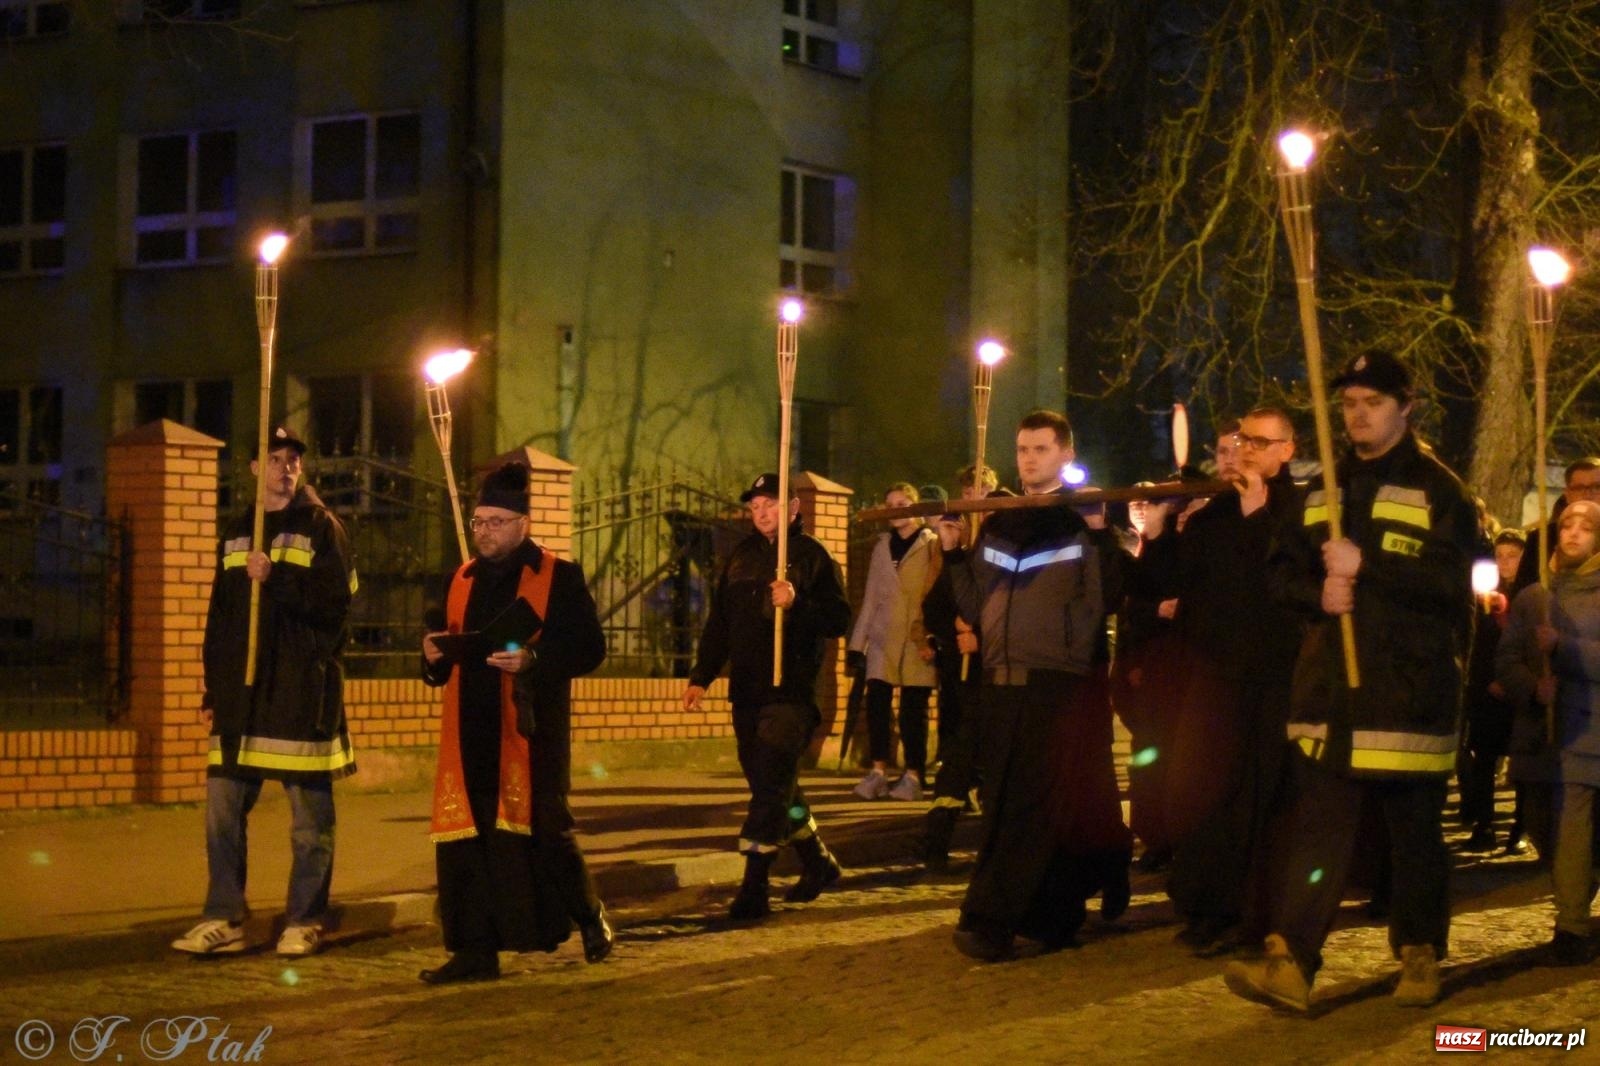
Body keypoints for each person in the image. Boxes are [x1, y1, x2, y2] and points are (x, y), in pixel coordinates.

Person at [1224, 351, 1477, 1011]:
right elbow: (1281, 574)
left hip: (1407, 691)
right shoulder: (1320, 486)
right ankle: (1293, 960)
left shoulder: (1439, 490)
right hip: (1331, 690)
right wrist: (1320, 595)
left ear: (1406, 406)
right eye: (1349, 404)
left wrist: (1369, 568)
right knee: (1318, 831)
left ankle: (1420, 952)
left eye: (1372, 402)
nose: (1358, 414)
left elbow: (1455, 588)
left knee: (1414, 833)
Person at [942, 410, 1133, 961]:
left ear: (1065, 456)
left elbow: (1108, 598)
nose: (1028, 458)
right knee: (1004, 802)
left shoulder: (1080, 522)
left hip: (1056, 682)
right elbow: (975, 607)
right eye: (1023, 448)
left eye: (1041, 449)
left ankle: (990, 918)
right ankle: (1052, 915)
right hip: (1000, 681)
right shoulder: (1000, 523)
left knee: (1034, 803)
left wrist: (1099, 536)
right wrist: (956, 552)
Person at [416, 462, 611, 983]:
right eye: (479, 522)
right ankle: (474, 950)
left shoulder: (558, 576)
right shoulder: (460, 578)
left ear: (523, 522)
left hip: (531, 729)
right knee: (468, 843)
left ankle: (589, 916)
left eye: (496, 522)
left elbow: (591, 648)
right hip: (469, 730)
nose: (484, 532)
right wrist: (432, 657)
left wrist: (534, 659)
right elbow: (443, 646)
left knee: (547, 832)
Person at [173, 426, 356, 958]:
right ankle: (224, 916)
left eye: (293, 459)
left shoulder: (322, 528)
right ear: (255, 468)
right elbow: (221, 613)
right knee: (222, 810)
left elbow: (335, 609)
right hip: (241, 696)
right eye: (274, 458)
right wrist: (214, 680)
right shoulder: (236, 530)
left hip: (298, 690)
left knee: (308, 820)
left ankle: (305, 919)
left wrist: (275, 577)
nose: (285, 467)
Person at [1138, 408, 1304, 955]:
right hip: (1213, 676)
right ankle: (1207, 906)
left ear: (1287, 449)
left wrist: (1259, 517)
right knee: (1200, 788)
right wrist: (1159, 537)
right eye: (1240, 440)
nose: (1246, 449)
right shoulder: (1211, 518)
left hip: (1273, 678)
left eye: (1260, 441)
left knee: (1257, 797)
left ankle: (1254, 914)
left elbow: (1286, 587)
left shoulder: (1301, 512)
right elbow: (1172, 586)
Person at [683, 473, 852, 921]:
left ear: (793, 508)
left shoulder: (811, 556)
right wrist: (702, 675)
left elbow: (838, 617)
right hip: (749, 691)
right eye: (755, 506)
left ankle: (754, 889)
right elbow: (720, 622)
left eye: (770, 504)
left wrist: (798, 602)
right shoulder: (740, 557)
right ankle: (818, 862)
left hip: (792, 691)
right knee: (773, 786)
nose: (760, 513)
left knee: (770, 786)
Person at [1522, 500, 1600, 964]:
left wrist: (1565, 649)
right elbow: (1512, 654)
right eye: (1565, 524)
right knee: (1569, 833)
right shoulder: (1541, 595)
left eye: (1585, 526)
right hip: (1572, 733)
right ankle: (1570, 923)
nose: (1572, 533)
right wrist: (1533, 683)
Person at [918, 464, 1001, 870]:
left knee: (992, 760)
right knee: (958, 752)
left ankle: (996, 843)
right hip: (961, 675)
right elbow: (934, 605)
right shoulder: (959, 557)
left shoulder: (1004, 559)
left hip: (998, 675)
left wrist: (981, 637)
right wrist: (953, 629)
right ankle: (937, 839)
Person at [849, 482, 940, 801]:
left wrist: (932, 635)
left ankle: (914, 774)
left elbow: (934, 594)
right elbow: (871, 596)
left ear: (915, 506)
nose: (896, 509)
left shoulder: (931, 545)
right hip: (883, 636)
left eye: (902, 502)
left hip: (917, 638)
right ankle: (877, 771)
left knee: (913, 710)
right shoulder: (882, 546)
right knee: (876, 706)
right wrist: (856, 645)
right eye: (890, 504)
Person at [1457, 528, 1524, 852]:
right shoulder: (1482, 596)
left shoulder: (1529, 594)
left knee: (1521, 762)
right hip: (1486, 690)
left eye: (1512, 556)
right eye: (1499, 556)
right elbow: (1478, 645)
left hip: (1518, 692)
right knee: (1483, 759)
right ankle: (1484, 824)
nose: (1505, 562)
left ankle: (1519, 828)